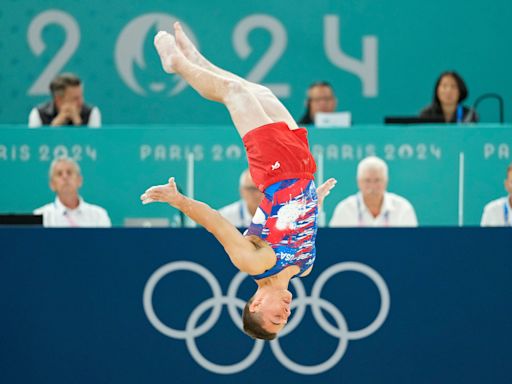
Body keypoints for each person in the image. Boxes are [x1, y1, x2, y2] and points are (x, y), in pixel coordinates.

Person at [140, 23, 337, 340]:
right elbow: (296, 222)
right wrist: (316, 198)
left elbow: (217, 224)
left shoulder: (253, 262)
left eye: (275, 319)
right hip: (302, 168)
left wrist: (180, 201)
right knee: (262, 93)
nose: (285, 314)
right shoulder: (306, 266)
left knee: (235, 94)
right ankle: (197, 61)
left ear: (256, 304)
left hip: (275, 170)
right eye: (284, 321)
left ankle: (177, 65)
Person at [329, 156, 418, 227]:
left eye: (377, 180)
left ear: (386, 181)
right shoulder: (345, 210)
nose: (372, 186)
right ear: (358, 182)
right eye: (367, 180)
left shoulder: (403, 209)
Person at [34, 156, 111, 227]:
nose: (65, 177)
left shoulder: (99, 215)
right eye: (59, 174)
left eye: (69, 172)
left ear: (79, 180)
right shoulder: (41, 216)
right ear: (52, 184)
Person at [28, 73, 101, 128]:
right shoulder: (38, 114)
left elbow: (95, 143)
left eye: (81, 96)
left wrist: (78, 124)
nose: (81, 102)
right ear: (59, 100)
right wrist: (54, 126)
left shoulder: (92, 112)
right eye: (75, 99)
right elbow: (34, 143)